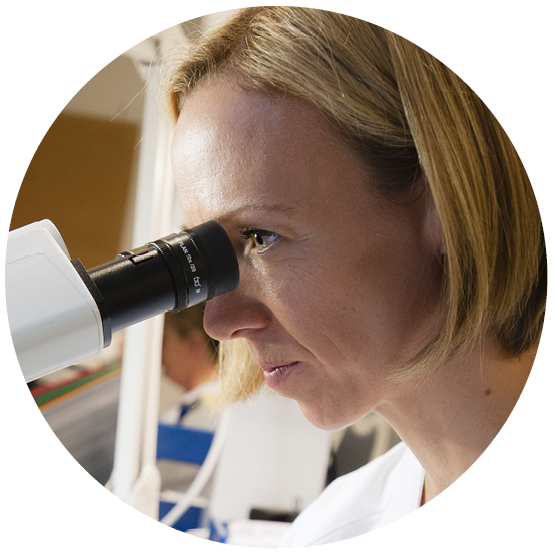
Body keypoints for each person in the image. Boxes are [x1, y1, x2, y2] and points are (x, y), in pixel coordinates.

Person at [161, 7, 546, 546]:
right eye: (211, 258)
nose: (219, 323)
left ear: (445, 204)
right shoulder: (330, 531)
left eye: (260, 237)